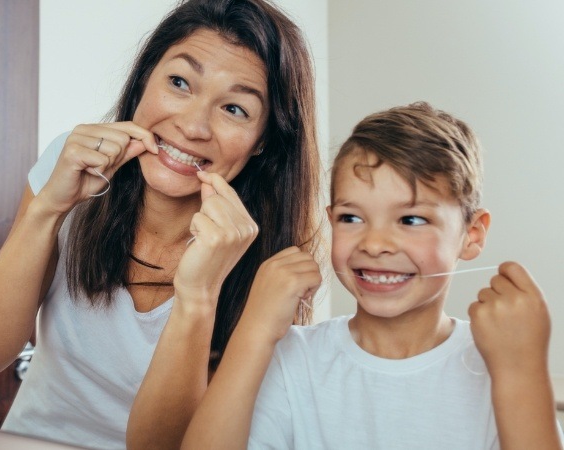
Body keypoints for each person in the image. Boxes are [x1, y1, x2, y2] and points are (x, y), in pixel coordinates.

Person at [0, 1, 323, 449]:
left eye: (234, 109)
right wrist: (47, 211)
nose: (192, 126)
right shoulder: (74, 165)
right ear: (143, 81)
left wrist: (199, 296)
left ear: (263, 141)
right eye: (179, 82)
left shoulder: (269, 267)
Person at [181, 102, 564, 449]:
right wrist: (254, 330)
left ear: (472, 235)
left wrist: (521, 371)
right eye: (352, 218)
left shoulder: (501, 365)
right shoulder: (293, 359)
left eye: (411, 219)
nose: (376, 243)